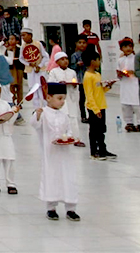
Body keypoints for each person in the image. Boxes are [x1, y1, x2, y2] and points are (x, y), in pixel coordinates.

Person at [34, 82, 81, 221]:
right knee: (51, 177)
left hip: (65, 154)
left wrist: (69, 137)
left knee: (68, 178)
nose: (62, 102)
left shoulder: (64, 115)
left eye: (63, 99)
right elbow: (35, 124)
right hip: (50, 153)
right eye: (59, 98)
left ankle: (71, 208)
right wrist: (37, 115)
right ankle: (51, 207)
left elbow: (69, 130)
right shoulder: (44, 113)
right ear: (48, 98)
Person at [82, 49, 115, 160]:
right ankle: (94, 151)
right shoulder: (88, 76)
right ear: (92, 61)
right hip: (93, 108)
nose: (99, 62)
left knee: (101, 130)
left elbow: (100, 90)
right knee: (94, 130)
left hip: (101, 106)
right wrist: (95, 110)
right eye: (98, 60)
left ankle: (102, 149)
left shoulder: (97, 74)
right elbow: (89, 94)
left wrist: (108, 86)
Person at [47, 52, 83, 146]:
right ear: (57, 61)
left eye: (66, 59)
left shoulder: (72, 72)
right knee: (62, 118)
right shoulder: (54, 72)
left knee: (73, 118)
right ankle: (62, 137)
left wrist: (74, 85)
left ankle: (76, 138)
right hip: (60, 98)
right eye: (62, 59)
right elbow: (50, 84)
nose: (65, 61)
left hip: (70, 97)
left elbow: (75, 83)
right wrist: (59, 84)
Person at [116, 37, 140, 132]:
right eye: (125, 46)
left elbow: (138, 71)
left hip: (134, 84)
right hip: (124, 85)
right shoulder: (120, 60)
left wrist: (132, 72)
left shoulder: (136, 58)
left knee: (137, 105)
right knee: (126, 105)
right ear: (121, 48)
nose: (128, 48)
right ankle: (129, 122)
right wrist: (121, 74)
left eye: (130, 46)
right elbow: (118, 72)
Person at [69, 39, 88, 124]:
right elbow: (72, 67)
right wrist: (77, 65)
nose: (82, 45)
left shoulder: (89, 54)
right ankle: (83, 116)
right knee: (82, 99)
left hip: (89, 79)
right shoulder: (75, 55)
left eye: (84, 43)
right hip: (80, 80)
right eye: (80, 43)